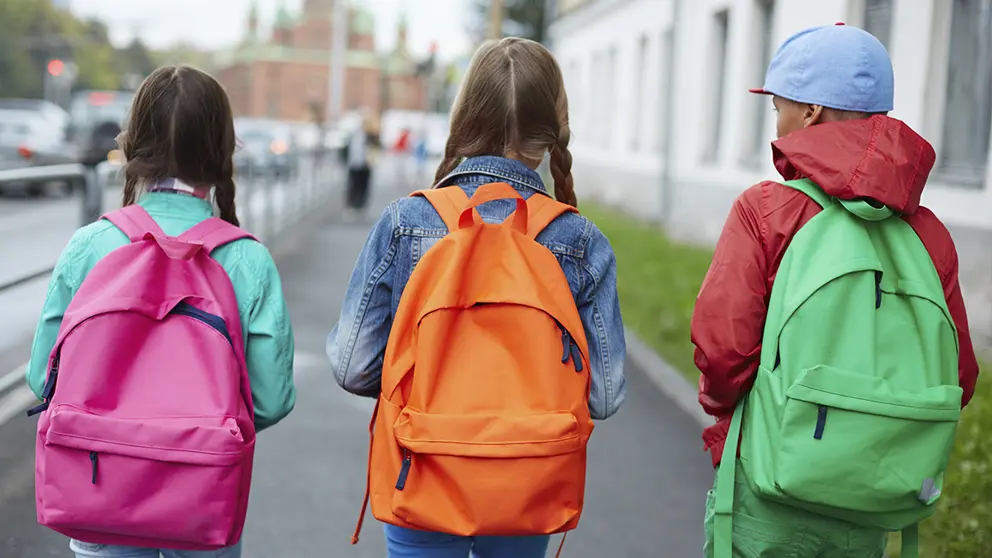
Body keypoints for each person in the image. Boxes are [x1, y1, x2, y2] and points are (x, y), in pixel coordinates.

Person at [327, 37, 627, 558]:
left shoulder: (408, 221)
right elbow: (603, 396)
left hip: (420, 470)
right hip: (525, 481)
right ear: (552, 128)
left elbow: (354, 367)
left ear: (465, 114)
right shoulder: (579, 240)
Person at [692, 24, 980, 558]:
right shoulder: (929, 234)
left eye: (779, 106)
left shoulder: (766, 211)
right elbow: (960, 377)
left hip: (770, 485)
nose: (775, 121)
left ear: (810, 113)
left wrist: (732, 419)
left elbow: (721, 351)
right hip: (873, 497)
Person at [26, 65, 296, 558]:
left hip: (98, 491)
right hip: (202, 498)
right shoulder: (246, 259)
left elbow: (41, 376)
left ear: (133, 144)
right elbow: (271, 399)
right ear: (222, 149)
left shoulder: (91, 245)